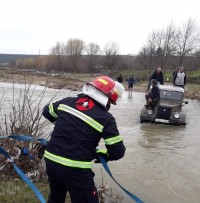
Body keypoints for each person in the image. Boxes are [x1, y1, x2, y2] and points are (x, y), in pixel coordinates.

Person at [42, 75, 126, 203]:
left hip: (51, 161)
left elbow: (47, 111)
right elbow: (118, 152)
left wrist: (64, 126)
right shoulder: (106, 119)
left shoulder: (67, 102)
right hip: (76, 169)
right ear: (108, 100)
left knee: (55, 198)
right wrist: (106, 155)